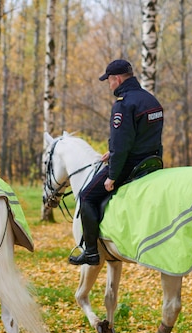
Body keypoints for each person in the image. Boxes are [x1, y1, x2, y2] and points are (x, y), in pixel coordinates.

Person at [68, 59, 164, 265]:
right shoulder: (151, 100)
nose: (109, 85)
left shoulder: (123, 104)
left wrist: (112, 175)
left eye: (109, 81)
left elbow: (122, 146)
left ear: (117, 79)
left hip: (131, 164)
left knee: (86, 196)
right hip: (152, 160)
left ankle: (92, 252)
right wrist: (111, 152)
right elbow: (143, 136)